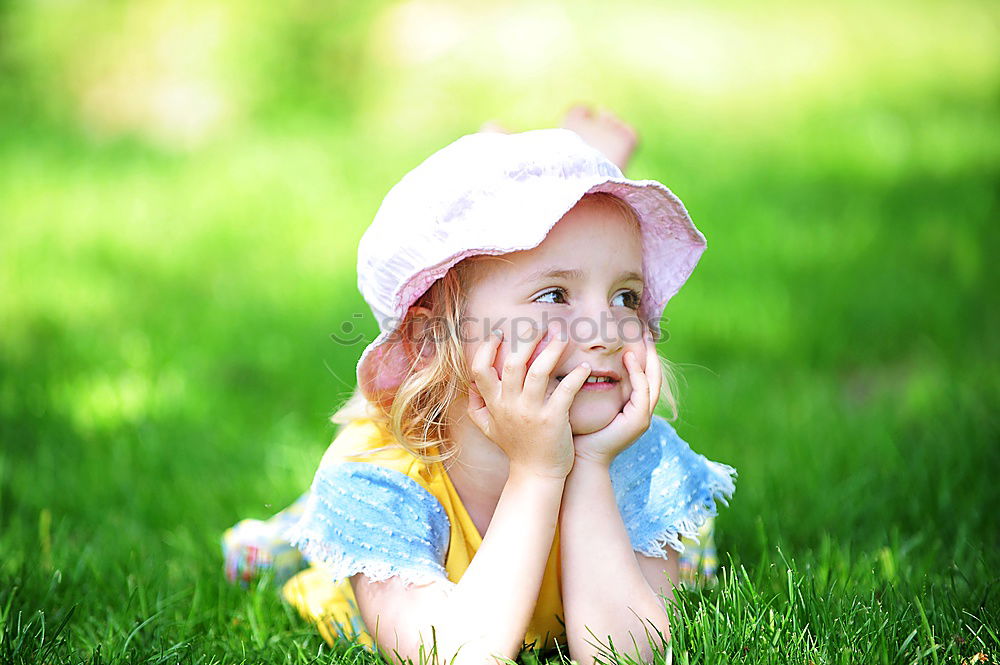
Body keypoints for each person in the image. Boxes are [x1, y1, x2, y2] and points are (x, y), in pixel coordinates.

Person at [221, 106, 737, 665]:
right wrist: (538, 471)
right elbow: (459, 656)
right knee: (304, 534)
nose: (608, 332)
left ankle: (542, 166)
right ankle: (288, 529)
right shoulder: (378, 488)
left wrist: (586, 465)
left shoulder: (638, 460)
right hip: (423, 463)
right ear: (437, 338)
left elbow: (626, 656)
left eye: (626, 297)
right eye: (554, 295)